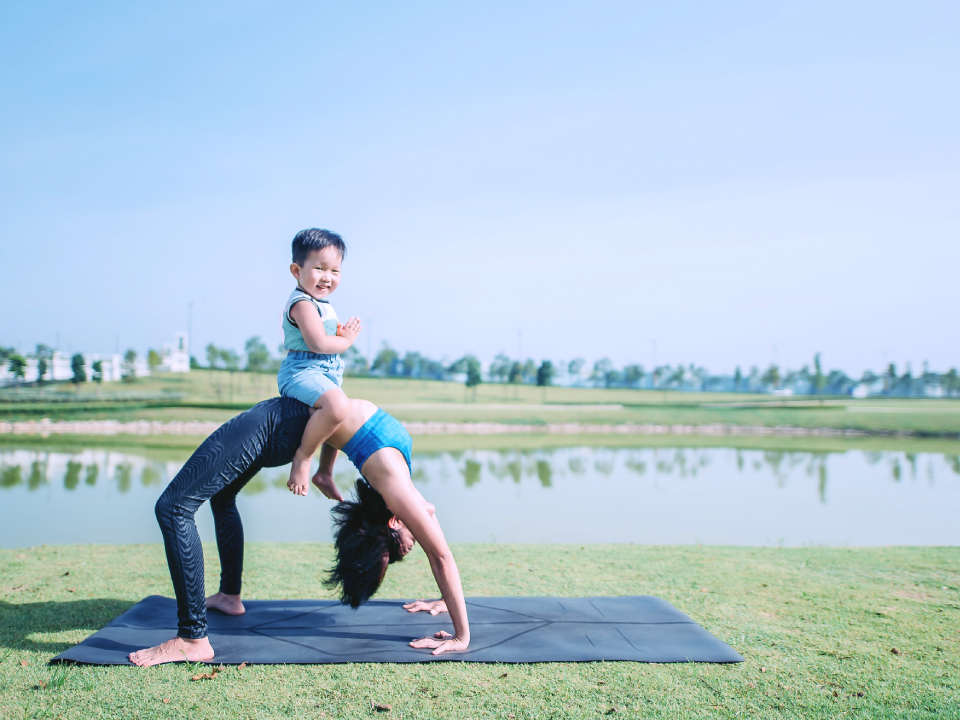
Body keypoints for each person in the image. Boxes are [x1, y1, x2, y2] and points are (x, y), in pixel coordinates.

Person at [128, 397, 469, 667]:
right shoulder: (397, 489)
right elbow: (439, 555)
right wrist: (460, 636)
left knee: (210, 498)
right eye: (402, 551)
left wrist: (446, 601)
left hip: (287, 423)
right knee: (174, 507)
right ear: (394, 522)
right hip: (276, 425)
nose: (411, 548)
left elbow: (434, 543)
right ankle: (193, 637)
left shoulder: (401, 493)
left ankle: (223, 605)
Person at [278, 228, 361, 498]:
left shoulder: (322, 304)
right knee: (337, 405)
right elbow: (318, 344)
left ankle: (325, 472)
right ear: (296, 270)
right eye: (319, 268)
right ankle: (303, 458)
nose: (327, 277)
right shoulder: (302, 304)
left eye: (335, 271)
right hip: (301, 371)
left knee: (340, 413)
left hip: (325, 371)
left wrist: (337, 333)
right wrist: (346, 340)